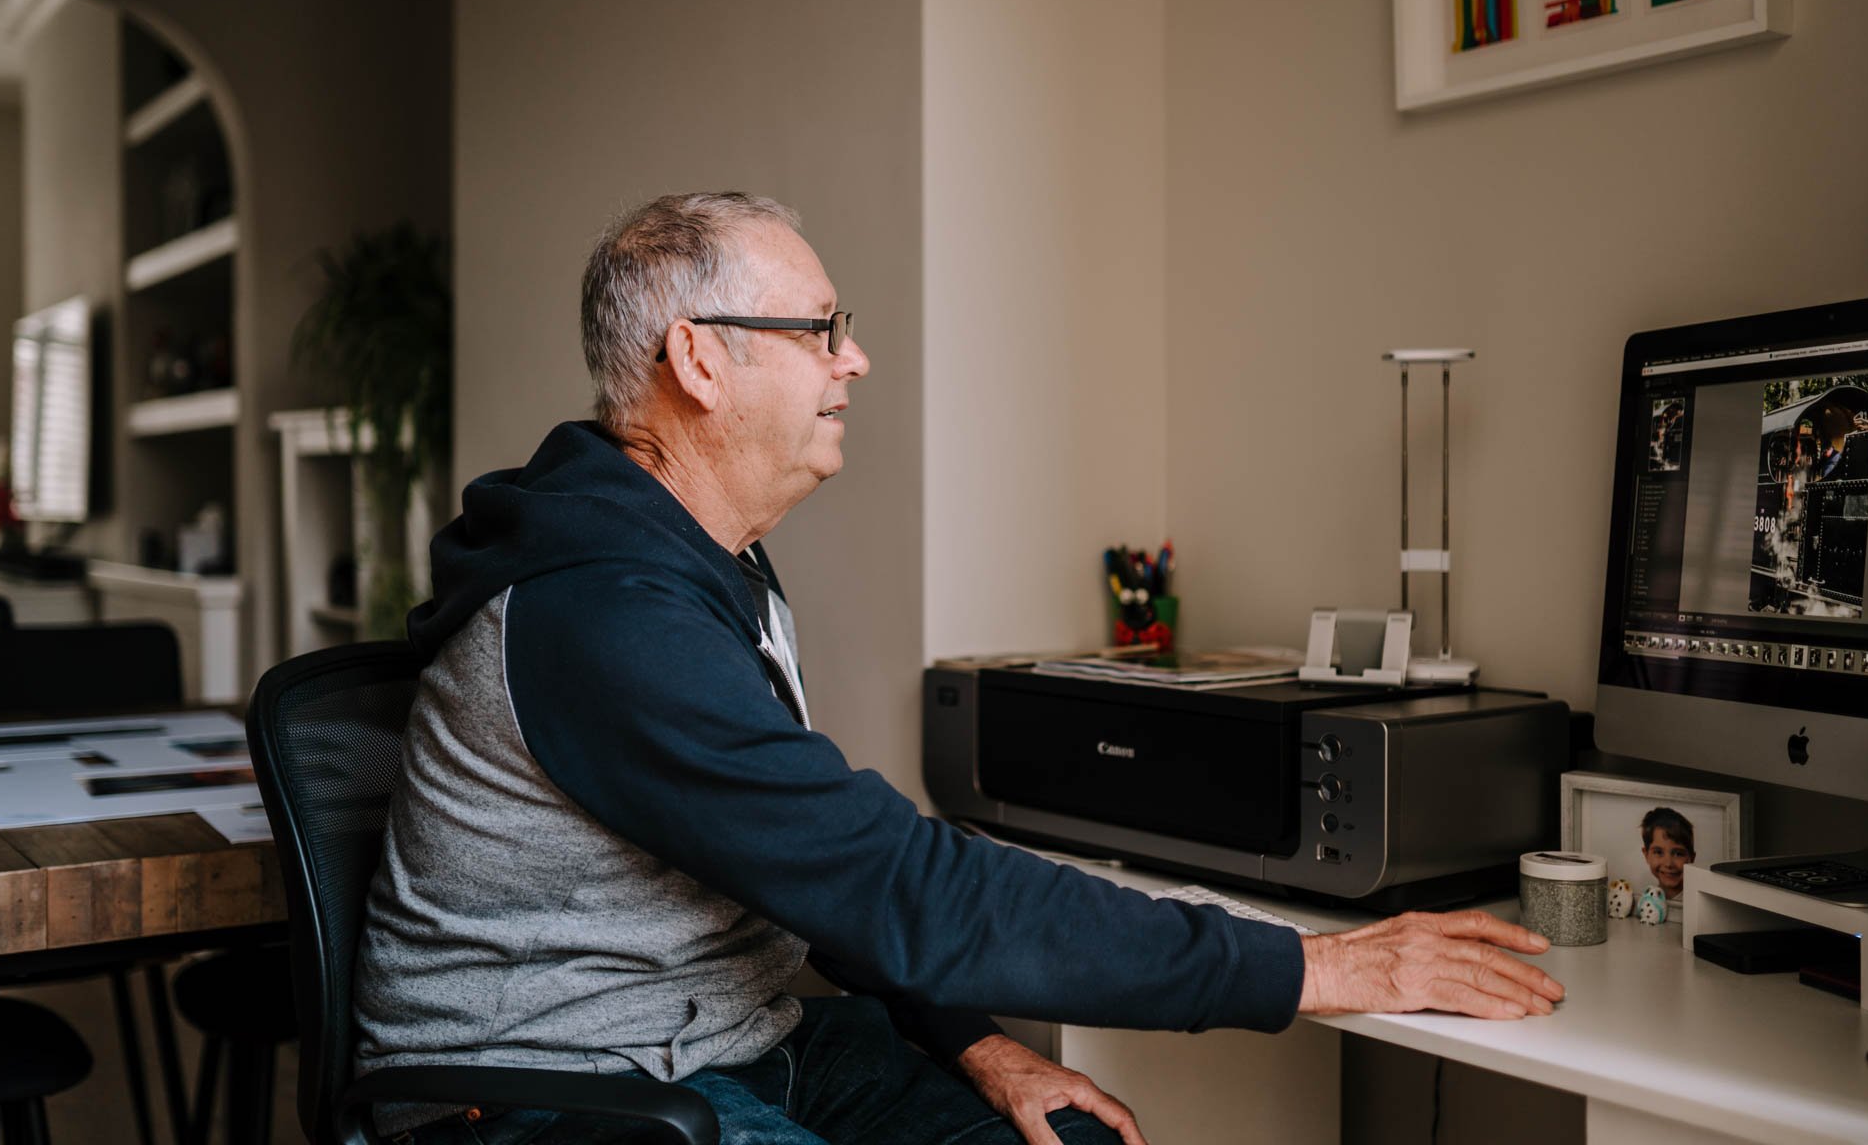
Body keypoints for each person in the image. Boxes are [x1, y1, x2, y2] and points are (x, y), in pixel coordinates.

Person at [353, 193, 1564, 1145]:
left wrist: (977, 1043)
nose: (857, 358)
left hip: (725, 1033)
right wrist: (1318, 963)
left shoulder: (707, 560)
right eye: (822, 328)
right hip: (540, 1090)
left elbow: (816, 871)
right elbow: (900, 882)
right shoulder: (604, 611)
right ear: (700, 362)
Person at [1640, 807, 1697, 902]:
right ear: (1646, 855)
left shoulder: (1698, 902)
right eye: (1658, 852)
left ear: (1691, 858)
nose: (1668, 864)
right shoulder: (1646, 900)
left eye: (1678, 854)